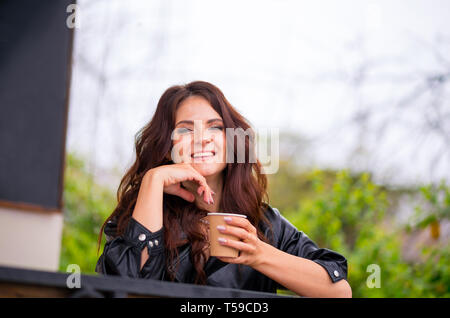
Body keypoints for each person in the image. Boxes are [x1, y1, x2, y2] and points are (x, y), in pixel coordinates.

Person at [96, 81, 352, 297]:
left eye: (215, 127)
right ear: (166, 145)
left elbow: (339, 291)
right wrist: (152, 181)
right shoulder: (141, 211)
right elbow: (125, 288)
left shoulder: (264, 224)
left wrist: (258, 253)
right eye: (185, 129)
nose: (202, 138)